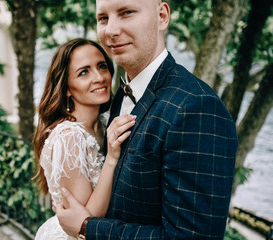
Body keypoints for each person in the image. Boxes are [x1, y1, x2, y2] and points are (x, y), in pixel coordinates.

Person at [55, 0, 238, 239]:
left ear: (161, 16)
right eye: (103, 18)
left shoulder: (197, 107)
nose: (110, 30)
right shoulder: (121, 94)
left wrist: (88, 227)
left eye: (126, 12)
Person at [33, 38, 136, 239]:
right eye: (84, 72)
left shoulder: (105, 123)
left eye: (102, 66)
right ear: (67, 88)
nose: (99, 77)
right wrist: (112, 158)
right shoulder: (68, 138)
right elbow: (86, 221)